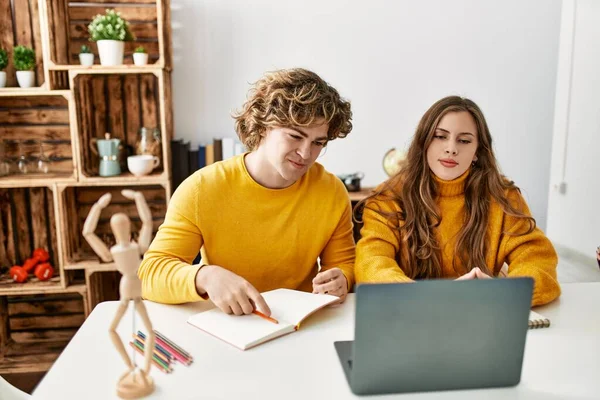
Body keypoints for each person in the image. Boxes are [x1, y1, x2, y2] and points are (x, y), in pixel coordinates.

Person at [139, 68, 355, 316]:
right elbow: (151, 275)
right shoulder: (202, 189)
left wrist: (342, 281)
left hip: (299, 324)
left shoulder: (332, 192)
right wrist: (205, 276)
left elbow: (343, 264)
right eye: (295, 136)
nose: (306, 154)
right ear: (263, 127)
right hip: (226, 323)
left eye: (318, 143)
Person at [355, 96, 560, 306]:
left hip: (479, 314)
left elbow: (537, 259)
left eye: (464, 140)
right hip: (408, 315)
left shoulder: (503, 196)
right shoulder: (387, 197)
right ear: (424, 142)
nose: (451, 148)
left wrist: (502, 293)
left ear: (477, 152)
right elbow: (371, 263)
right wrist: (424, 298)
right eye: (440, 136)